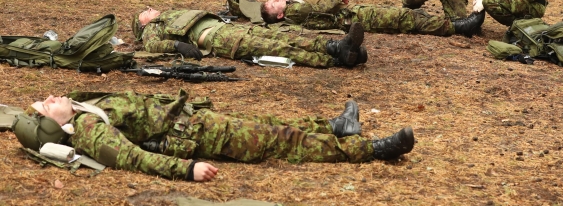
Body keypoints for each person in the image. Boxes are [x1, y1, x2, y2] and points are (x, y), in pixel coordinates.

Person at [13, 91, 415, 181]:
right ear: (54, 125)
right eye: (46, 106)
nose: (51, 98)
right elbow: (136, 159)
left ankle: (335, 125)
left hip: (196, 118)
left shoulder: (83, 107)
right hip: (200, 138)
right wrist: (188, 169)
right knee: (283, 141)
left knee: (269, 121)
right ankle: (373, 150)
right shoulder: (88, 131)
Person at [132, 7, 367, 68]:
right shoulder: (153, 27)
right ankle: (337, 60)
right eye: (145, 12)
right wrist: (176, 44)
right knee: (278, 49)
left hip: (229, 29)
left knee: (288, 38)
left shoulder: (169, 14)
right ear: (143, 23)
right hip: (221, 39)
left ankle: (337, 46)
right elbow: (152, 45)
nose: (150, 9)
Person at [259, 0, 485, 37]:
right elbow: (325, 5)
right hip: (356, 18)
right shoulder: (296, 10)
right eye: (274, 4)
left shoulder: (293, 10)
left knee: (407, 15)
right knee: (406, 19)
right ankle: (460, 27)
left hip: (355, 15)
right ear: (279, 16)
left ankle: (455, 23)